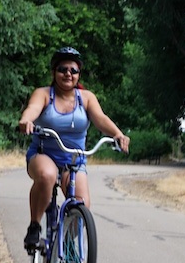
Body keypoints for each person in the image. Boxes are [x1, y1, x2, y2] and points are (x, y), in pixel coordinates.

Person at [17, 47, 130, 252]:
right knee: (47, 174)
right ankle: (34, 226)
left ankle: (67, 242)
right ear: (54, 72)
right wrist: (26, 121)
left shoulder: (85, 98)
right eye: (62, 69)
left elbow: (101, 119)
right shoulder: (44, 94)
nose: (68, 74)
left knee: (82, 204)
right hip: (43, 154)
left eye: (73, 70)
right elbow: (32, 109)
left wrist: (118, 134)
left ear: (79, 74)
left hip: (74, 161)